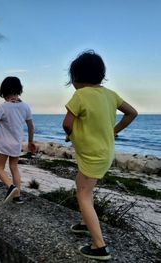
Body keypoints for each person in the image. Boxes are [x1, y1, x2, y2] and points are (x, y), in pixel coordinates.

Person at [63, 50, 138, 261]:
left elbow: (67, 124)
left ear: (76, 77)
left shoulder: (80, 95)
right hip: (105, 152)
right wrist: (115, 130)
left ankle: (99, 246)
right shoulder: (111, 95)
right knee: (83, 185)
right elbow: (132, 113)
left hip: (91, 154)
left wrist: (71, 135)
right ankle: (85, 224)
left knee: (83, 194)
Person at [0, 76, 36, 204]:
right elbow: (30, 126)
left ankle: (11, 187)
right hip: (17, 143)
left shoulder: (3, 107)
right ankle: (17, 197)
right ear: (19, 90)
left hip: (4, 144)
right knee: (14, 167)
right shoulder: (25, 107)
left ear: (4, 92)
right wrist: (30, 141)